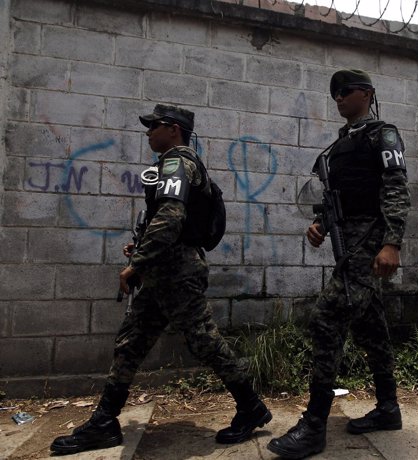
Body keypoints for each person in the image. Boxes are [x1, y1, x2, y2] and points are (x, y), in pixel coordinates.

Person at [50, 104, 271, 455]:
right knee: (130, 343)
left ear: (173, 129)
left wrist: (136, 263)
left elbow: (170, 217)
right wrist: (141, 249)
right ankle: (105, 421)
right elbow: (166, 221)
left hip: (178, 272)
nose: (148, 132)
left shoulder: (176, 161)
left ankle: (250, 406)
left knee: (203, 341)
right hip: (163, 270)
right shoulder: (171, 163)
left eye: (153, 126)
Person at [267, 69, 411, 459]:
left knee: (326, 320)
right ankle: (388, 408)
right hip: (348, 242)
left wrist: (392, 243)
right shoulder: (338, 147)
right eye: (335, 94)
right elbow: (334, 196)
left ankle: (314, 426)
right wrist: (319, 224)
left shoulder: (383, 134)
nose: (338, 99)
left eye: (345, 92)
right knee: (371, 327)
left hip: (369, 244)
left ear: (366, 94)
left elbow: (396, 187)